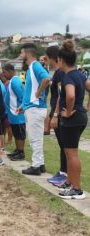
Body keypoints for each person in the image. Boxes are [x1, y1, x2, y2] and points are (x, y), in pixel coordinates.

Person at [55, 41, 89, 199]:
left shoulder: (68, 77)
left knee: (72, 153)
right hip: (80, 117)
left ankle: (77, 189)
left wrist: (68, 112)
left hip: (72, 118)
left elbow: (70, 95)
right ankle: (69, 182)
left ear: (61, 60)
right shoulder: (81, 75)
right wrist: (87, 106)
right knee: (69, 153)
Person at [19, 43, 51, 175]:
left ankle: (36, 165)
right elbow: (29, 90)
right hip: (31, 106)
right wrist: (24, 104)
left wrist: (38, 93)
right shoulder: (32, 67)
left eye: (21, 53)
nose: (21, 55)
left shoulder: (35, 65)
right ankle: (41, 164)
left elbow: (46, 79)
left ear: (25, 53)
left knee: (35, 138)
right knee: (35, 137)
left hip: (35, 108)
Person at [43, 46, 68, 186]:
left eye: (46, 58)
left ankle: (64, 173)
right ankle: (62, 171)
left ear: (52, 57)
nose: (46, 61)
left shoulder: (59, 73)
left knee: (65, 146)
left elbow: (60, 95)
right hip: (58, 111)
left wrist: (55, 115)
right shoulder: (60, 72)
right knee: (63, 145)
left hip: (60, 113)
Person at [2, 64, 26, 161]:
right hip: (12, 113)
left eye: (4, 72)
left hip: (17, 113)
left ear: (10, 71)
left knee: (20, 133)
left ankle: (21, 152)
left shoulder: (15, 81)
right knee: (16, 133)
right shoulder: (11, 81)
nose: (3, 74)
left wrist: (20, 108)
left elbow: (22, 97)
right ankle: (17, 150)